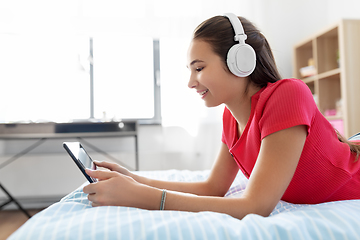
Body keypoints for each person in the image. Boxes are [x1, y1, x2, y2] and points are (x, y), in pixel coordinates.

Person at [83, 13, 360, 220]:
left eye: (199, 68)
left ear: (240, 60)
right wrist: (134, 180)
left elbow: (256, 206)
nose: (191, 82)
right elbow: (214, 187)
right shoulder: (230, 117)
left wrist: (146, 198)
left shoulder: (288, 94)